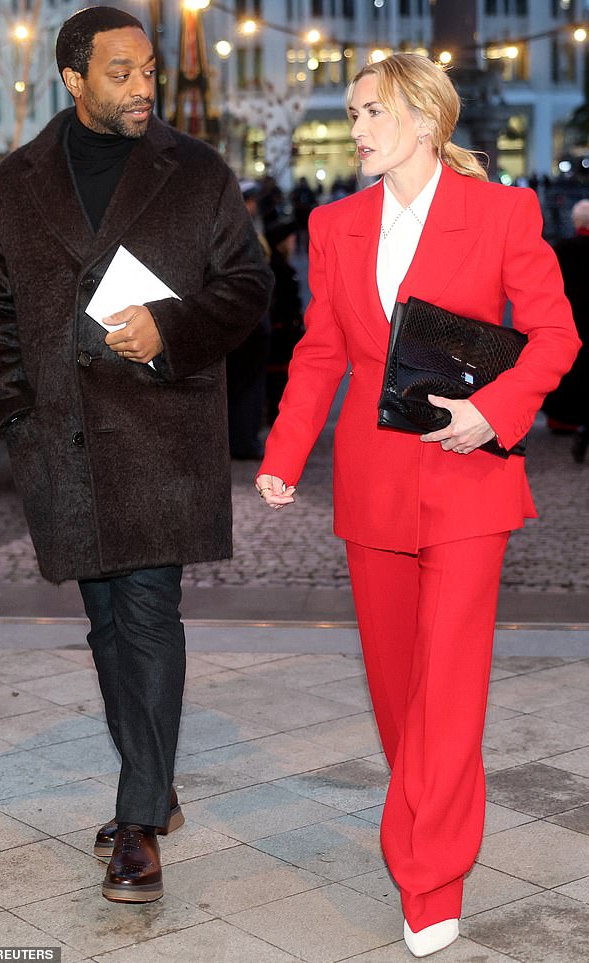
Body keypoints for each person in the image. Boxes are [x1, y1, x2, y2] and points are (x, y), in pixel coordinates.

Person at [255, 53, 579, 958]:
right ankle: (424, 822)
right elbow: (322, 350)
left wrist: (494, 413)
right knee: (399, 691)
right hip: (374, 484)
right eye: (353, 112)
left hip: (471, 478)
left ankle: (432, 873)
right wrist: (284, 452)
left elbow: (556, 335)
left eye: (372, 111)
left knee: (448, 687)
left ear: (425, 120)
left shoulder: (502, 211)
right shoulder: (335, 222)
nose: (355, 127)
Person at [0, 6, 272, 904]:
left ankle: (138, 820)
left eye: (149, 70)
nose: (145, 87)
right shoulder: (19, 180)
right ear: (74, 80)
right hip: (62, 444)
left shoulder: (198, 171)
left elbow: (249, 284)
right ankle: (154, 782)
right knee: (105, 626)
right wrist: (15, 416)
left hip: (160, 438)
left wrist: (170, 327)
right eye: (122, 73)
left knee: (145, 617)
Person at [226, 181, 272, 459]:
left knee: (247, 387)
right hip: (247, 321)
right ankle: (243, 441)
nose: (254, 205)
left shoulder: (241, 228)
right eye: (249, 200)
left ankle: (244, 439)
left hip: (251, 319)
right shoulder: (238, 231)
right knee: (245, 387)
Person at [542, 198, 589, 462]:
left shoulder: (562, 249)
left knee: (570, 369)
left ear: (575, 221)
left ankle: (565, 420)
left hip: (571, 318)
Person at [264, 218, 304, 423]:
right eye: (290, 238)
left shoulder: (282, 268)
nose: (294, 241)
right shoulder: (279, 271)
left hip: (283, 335)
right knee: (279, 383)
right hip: (281, 337)